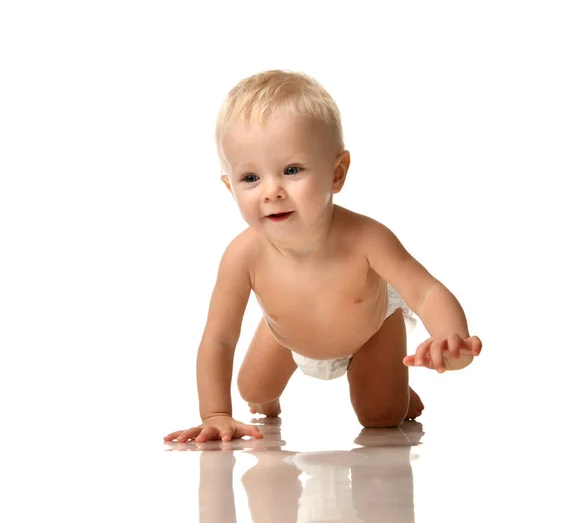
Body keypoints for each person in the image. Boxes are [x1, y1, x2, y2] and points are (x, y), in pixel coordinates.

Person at [164, 70, 482, 444]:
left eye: (292, 170)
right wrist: (215, 413)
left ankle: (394, 386)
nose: (271, 191)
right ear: (229, 186)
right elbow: (218, 339)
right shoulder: (243, 255)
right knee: (252, 390)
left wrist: (448, 336)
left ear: (337, 173)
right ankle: (273, 383)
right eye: (250, 178)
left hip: (369, 330)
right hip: (289, 334)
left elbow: (425, 290)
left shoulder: (367, 238)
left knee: (381, 417)